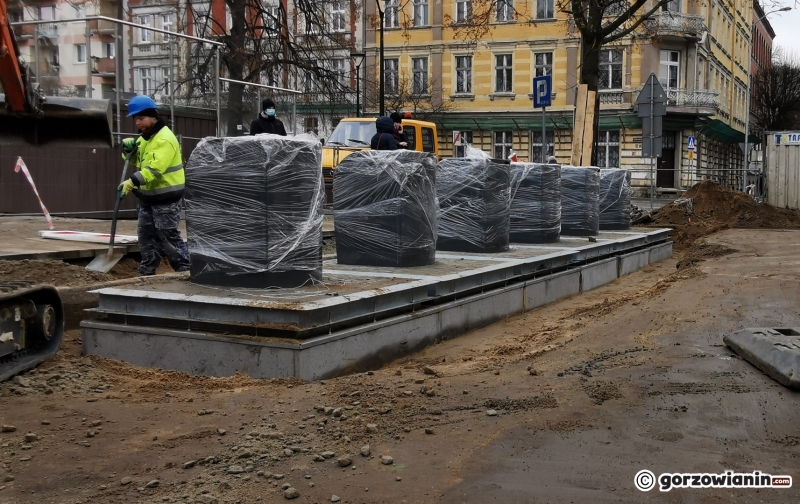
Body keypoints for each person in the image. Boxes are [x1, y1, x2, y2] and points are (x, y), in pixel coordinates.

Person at [119, 95, 191, 276]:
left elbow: (155, 169)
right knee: (146, 235)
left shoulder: (164, 139)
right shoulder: (145, 138)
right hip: (148, 197)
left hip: (166, 197)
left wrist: (132, 181)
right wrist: (128, 151)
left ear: (153, 117)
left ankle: (184, 269)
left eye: (141, 118)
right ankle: (147, 271)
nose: (138, 122)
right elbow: (137, 161)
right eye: (136, 119)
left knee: (167, 234)